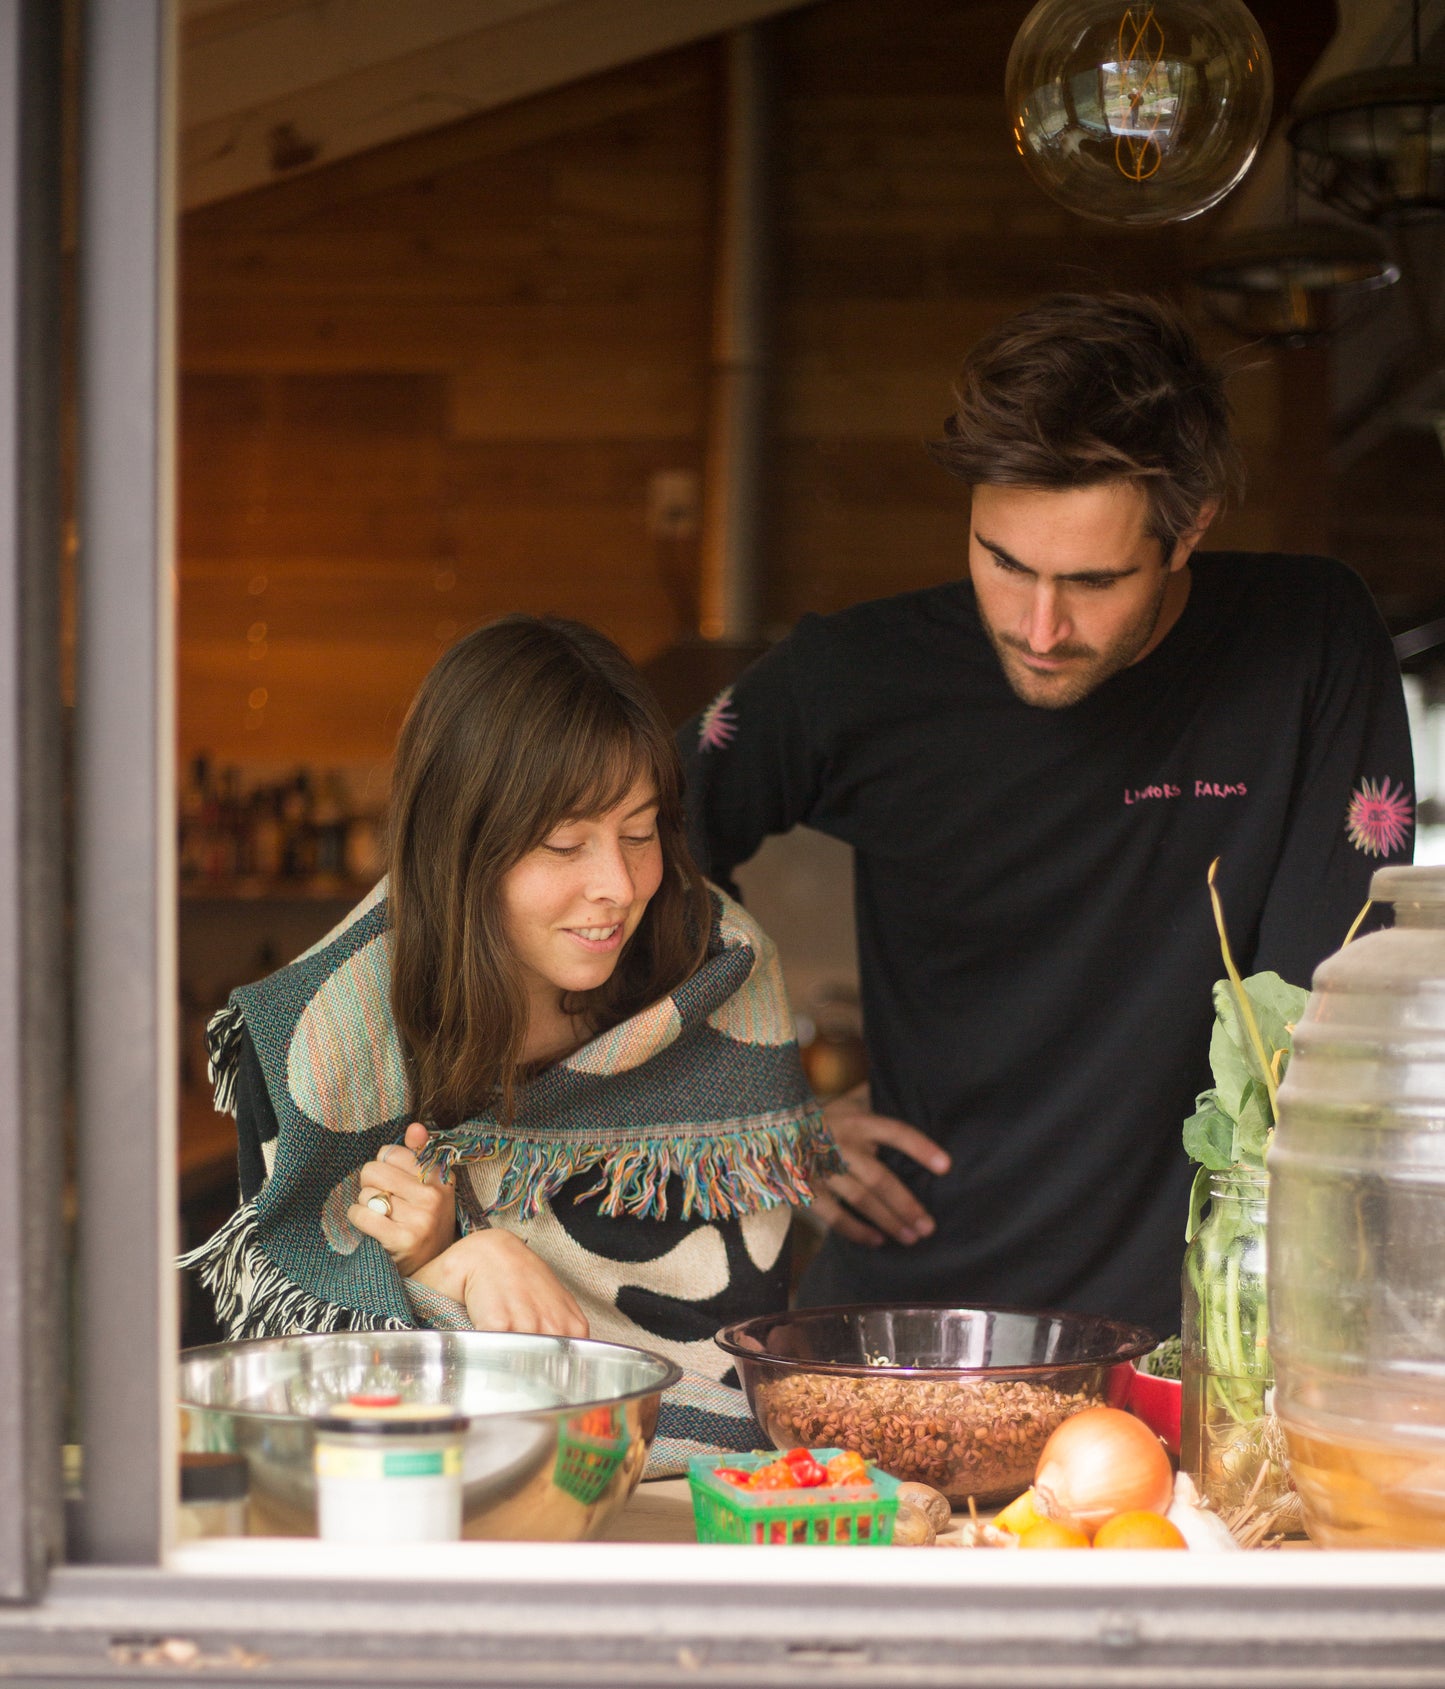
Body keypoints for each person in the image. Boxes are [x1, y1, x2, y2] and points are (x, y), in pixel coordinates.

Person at [679, 291, 1415, 1337]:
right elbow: (634, 845)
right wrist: (757, 1114)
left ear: (1188, 527)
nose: (1037, 627)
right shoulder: (858, 677)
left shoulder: (1307, 643)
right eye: (1001, 560)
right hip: (911, 1326)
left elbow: (1332, 1004)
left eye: (1092, 580)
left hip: (1197, 1343)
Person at [185, 615, 838, 1465]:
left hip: (695, 1487)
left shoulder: (719, 969)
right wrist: (449, 1260)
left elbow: (733, 1346)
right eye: (565, 843)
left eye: (639, 834)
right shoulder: (331, 1025)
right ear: (462, 850)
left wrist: (444, 1260)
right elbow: (313, 1376)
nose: (616, 886)